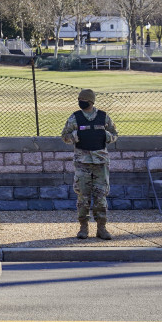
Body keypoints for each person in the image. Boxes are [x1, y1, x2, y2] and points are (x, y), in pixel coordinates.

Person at [62, 88, 118, 240]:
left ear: (91, 102)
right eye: (80, 100)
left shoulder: (103, 117)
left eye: (84, 100)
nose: (81, 102)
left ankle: (102, 228)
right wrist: (75, 136)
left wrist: (105, 136)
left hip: (100, 162)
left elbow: (115, 135)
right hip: (82, 162)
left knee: (101, 197)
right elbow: (64, 136)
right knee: (83, 197)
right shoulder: (75, 117)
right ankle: (83, 228)